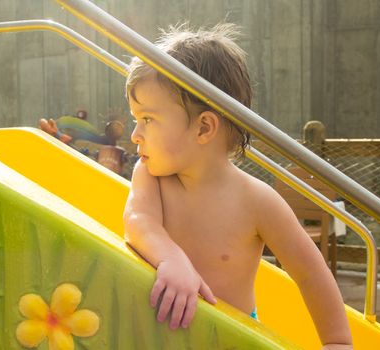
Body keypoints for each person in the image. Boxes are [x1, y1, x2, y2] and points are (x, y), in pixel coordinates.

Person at [123, 23, 352, 349]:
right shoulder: (150, 176)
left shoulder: (257, 201)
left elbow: (310, 273)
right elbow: (137, 220)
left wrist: (337, 341)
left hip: (233, 341)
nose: (134, 134)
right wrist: (170, 258)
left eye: (147, 119)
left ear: (204, 127)